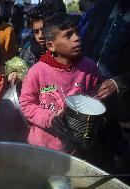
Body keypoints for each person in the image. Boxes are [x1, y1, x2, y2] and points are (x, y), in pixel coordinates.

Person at [19, 13, 102, 154]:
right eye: (68, 35)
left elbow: (97, 99)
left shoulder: (90, 68)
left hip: (75, 149)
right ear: (51, 46)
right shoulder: (37, 71)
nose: (77, 38)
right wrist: (50, 118)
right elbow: (27, 104)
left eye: (77, 32)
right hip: (41, 147)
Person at [82, 0, 130, 173]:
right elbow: (85, 41)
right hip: (88, 86)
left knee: (110, 156)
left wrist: (119, 82)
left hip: (119, 101)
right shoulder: (102, 7)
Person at [20, 2, 61, 67]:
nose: (40, 36)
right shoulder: (28, 50)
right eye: (36, 31)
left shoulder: (62, 52)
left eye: (44, 30)